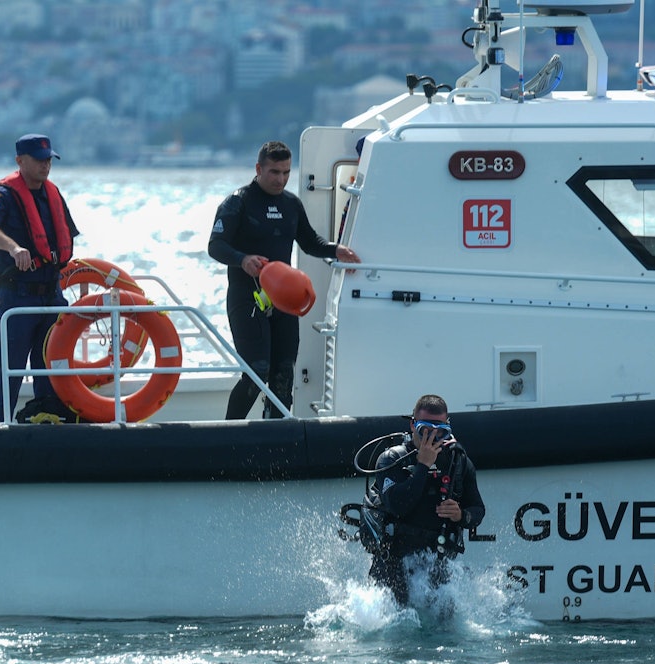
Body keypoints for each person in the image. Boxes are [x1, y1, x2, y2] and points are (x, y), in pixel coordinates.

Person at [208, 140, 361, 420]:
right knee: (256, 372)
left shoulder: (291, 204)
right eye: (274, 172)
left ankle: (275, 442)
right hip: (248, 299)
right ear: (259, 169)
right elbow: (215, 246)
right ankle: (228, 434)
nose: (281, 179)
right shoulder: (237, 202)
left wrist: (335, 249)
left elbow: (309, 242)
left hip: (284, 301)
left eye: (286, 172)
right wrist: (242, 259)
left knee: (283, 376)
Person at [0, 134, 80, 423]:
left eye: (48, 159)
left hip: (51, 295)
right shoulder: (2, 196)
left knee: (51, 367)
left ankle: (48, 420)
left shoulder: (54, 195)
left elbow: (65, 240)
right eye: (38, 160)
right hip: (17, 295)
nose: (45, 165)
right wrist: (13, 247)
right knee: (9, 369)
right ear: (20, 161)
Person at [363, 394, 486, 607]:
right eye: (425, 431)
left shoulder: (457, 462)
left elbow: (477, 510)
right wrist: (423, 466)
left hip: (436, 562)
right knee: (398, 625)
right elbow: (398, 505)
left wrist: (460, 515)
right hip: (395, 561)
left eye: (440, 432)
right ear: (413, 425)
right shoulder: (392, 459)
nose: (433, 438)